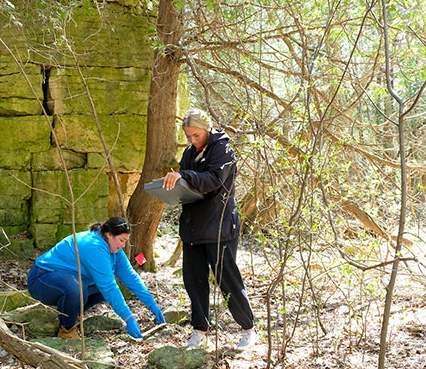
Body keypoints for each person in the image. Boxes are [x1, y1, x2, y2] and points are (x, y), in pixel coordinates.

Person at [163, 108, 257, 349]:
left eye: (196, 135)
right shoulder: (188, 153)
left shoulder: (222, 148)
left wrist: (183, 175)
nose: (192, 141)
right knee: (193, 281)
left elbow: (214, 179)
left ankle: (248, 328)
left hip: (219, 227)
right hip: (193, 228)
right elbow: (187, 182)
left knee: (227, 281)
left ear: (206, 129)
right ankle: (200, 331)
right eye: (188, 136)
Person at [27, 216, 165, 339]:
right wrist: (128, 318)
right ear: (109, 235)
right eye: (121, 240)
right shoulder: (94, 246)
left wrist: (151, 304)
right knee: (78, 288)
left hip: (68, 282)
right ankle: (67, 330)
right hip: (41, 279)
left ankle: (71, 314)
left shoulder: (114, 250)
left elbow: (130, 277)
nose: (123, 245)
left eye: (125, 241)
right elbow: (109, 286)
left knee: (93, 289)